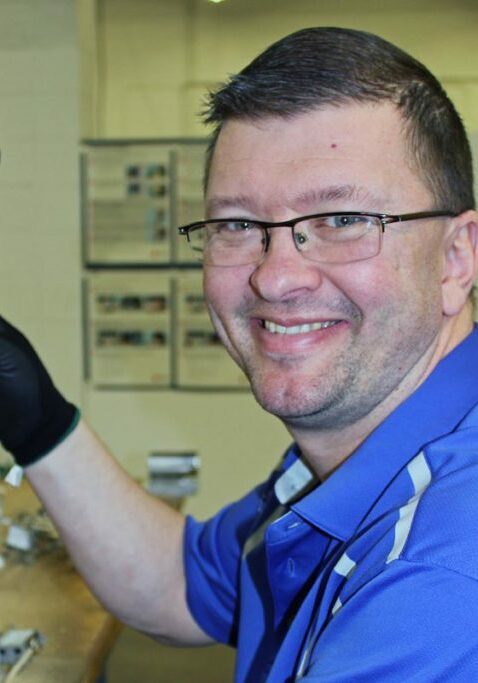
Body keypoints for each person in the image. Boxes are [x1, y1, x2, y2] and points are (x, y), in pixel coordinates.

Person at [1, 26, 478, 681]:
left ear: (457, 258)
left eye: (341, 219)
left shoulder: (441, 579)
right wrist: (38, 419)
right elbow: (178, 583)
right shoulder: (360, 466)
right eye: (236, 225)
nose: (275, 277)